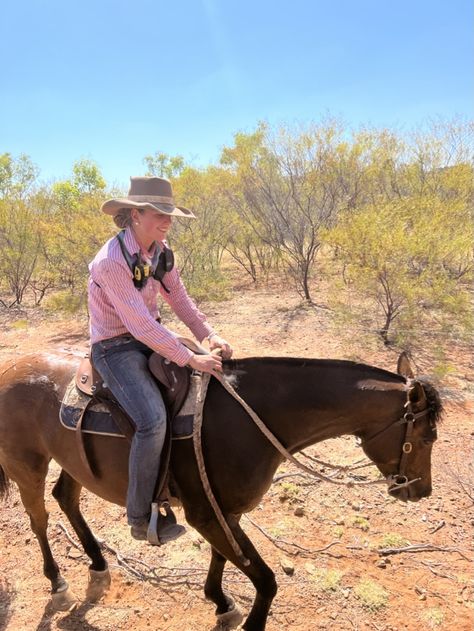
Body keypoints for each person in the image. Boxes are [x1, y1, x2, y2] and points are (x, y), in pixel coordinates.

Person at [88, 176, 233, 544]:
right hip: (115, 347)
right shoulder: (111, 262)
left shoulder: (160, 250)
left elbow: (179, 299)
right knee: (152, 420)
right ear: (135, 214)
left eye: (170, 214)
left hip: (148, 336)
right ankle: (140, 517)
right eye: (159, 214)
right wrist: (188, 357)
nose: (167, 221)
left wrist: (208, 335)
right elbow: (137, 324)